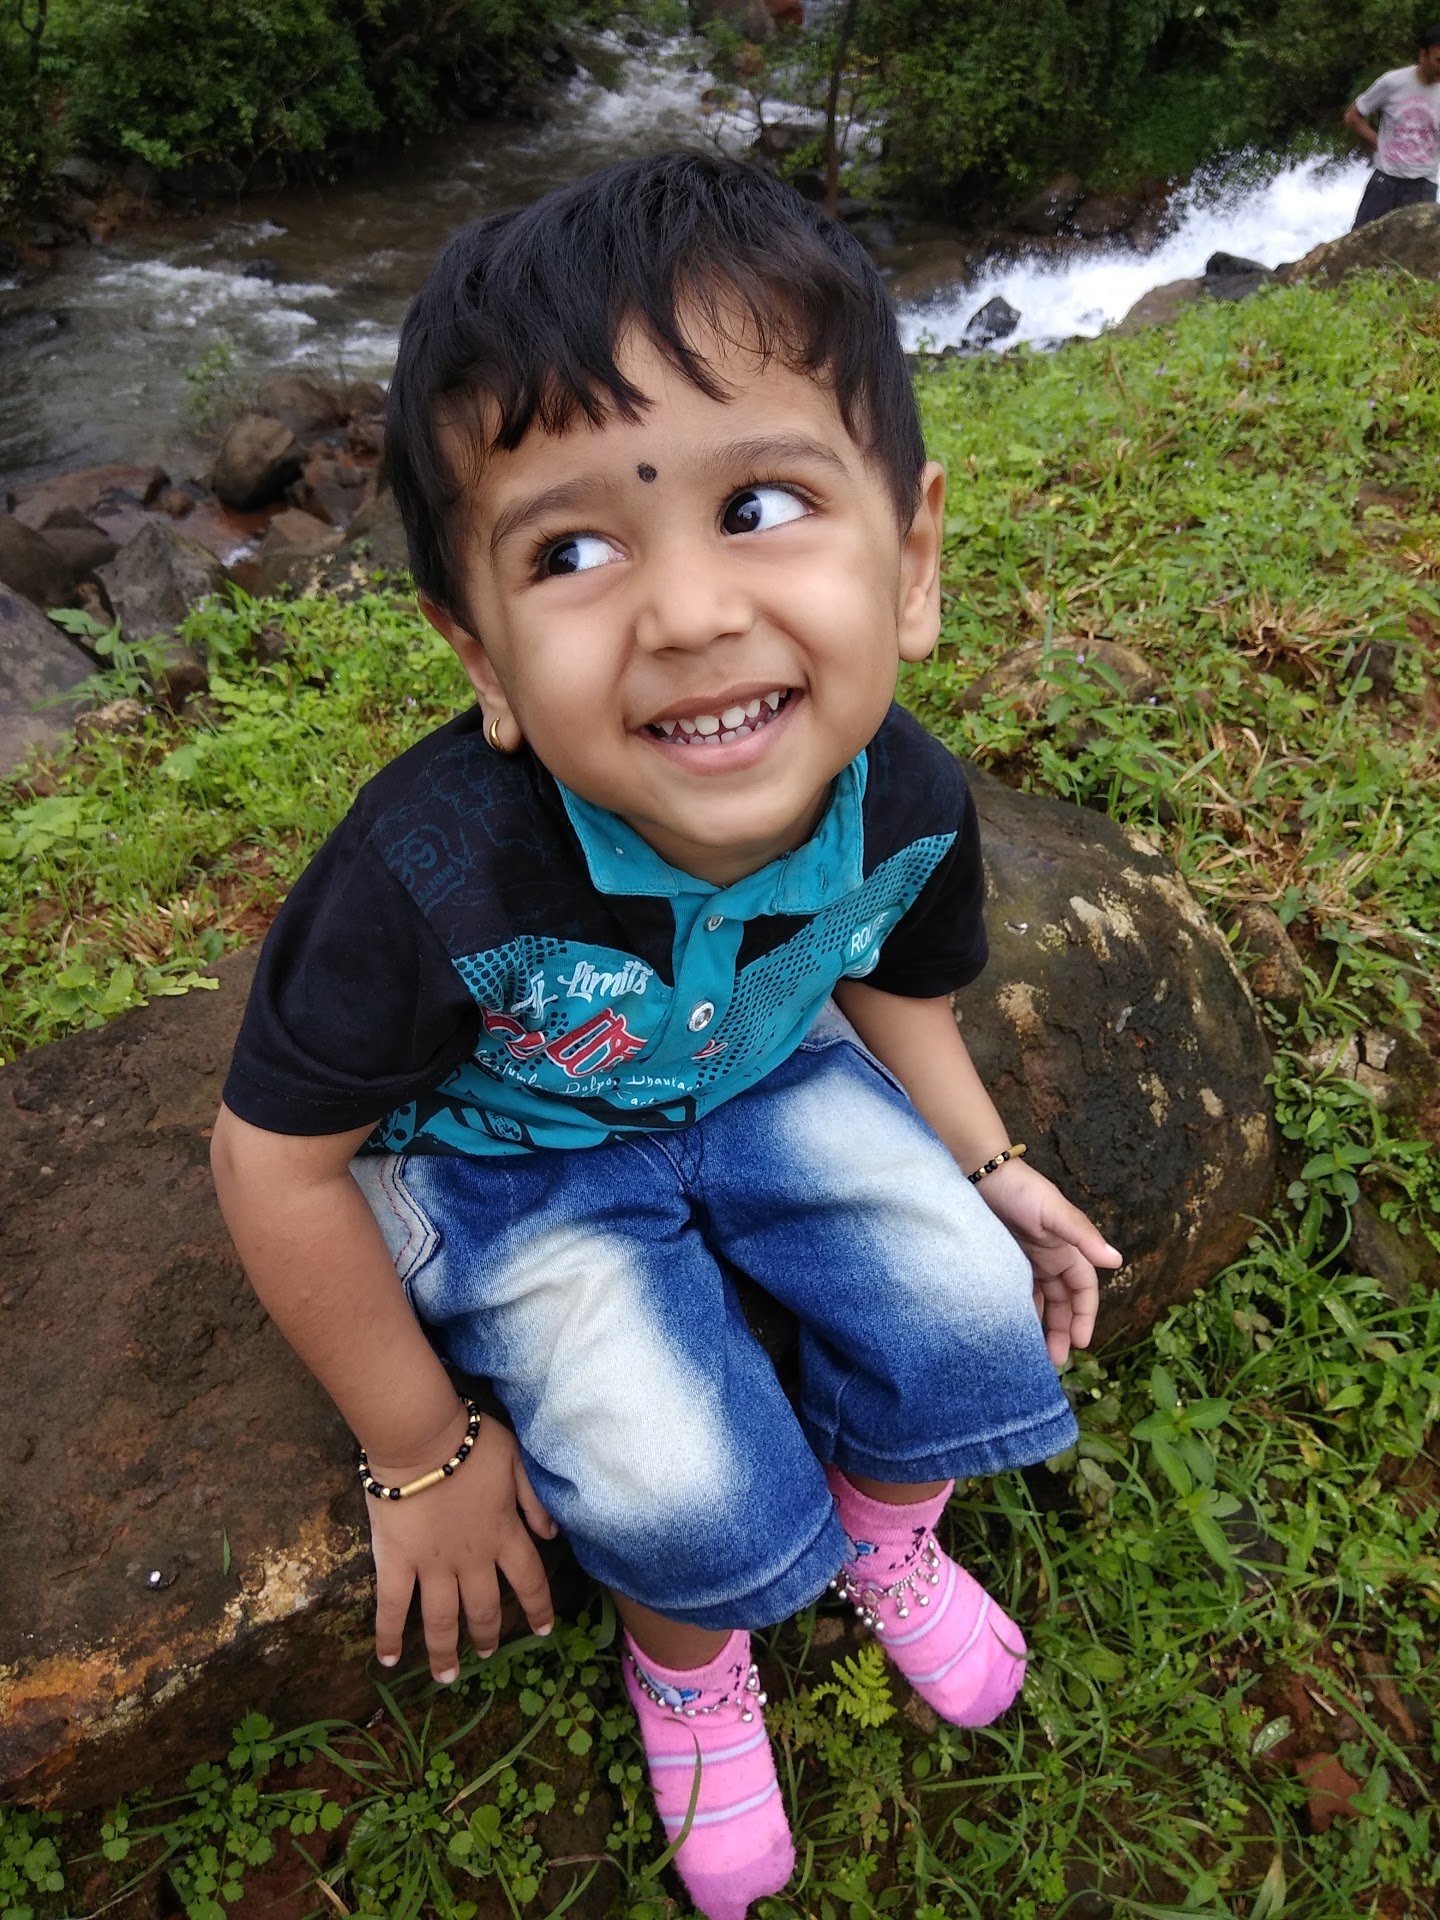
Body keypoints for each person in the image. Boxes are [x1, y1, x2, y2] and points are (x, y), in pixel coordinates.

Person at [211, 151, 1122, 1920]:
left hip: (763, 1065)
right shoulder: (428, 876)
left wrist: (992, 1162)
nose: (692, 613)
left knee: (964, 1301)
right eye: (571, 550)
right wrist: (421, 1449)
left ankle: (882, 1537)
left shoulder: (906, 795)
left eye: (761, 504)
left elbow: (889, 975)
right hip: (507, 1156)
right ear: (482, 656)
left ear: (912, 559)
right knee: (673, 1462)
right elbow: (273, 1161)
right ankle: (688, 1662)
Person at [1345, 27, 1440, 228]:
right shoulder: (1393, 82)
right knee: (1361, 242)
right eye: (1438, 60)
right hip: (1384, 181)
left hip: (1423, 186)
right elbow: (1353, 117)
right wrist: (1380, 144)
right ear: (1423, 55)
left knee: (1415, 248)